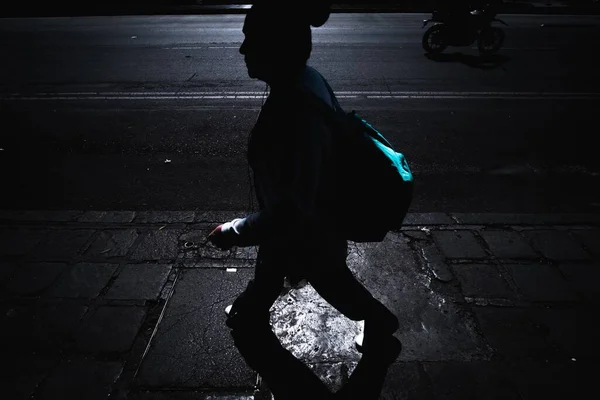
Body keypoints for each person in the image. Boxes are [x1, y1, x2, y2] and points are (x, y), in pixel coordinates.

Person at [207, 0, 401, 362]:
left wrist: (234, 232)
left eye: (252, 39)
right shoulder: (307, 80)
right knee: (272, 265)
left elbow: (293, 210)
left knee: (330, 280)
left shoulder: (291, 113)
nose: (243, 48)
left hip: (311, 226)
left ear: (276, 47)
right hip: (310, 217)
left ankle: (379, 319)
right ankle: (251, 310)